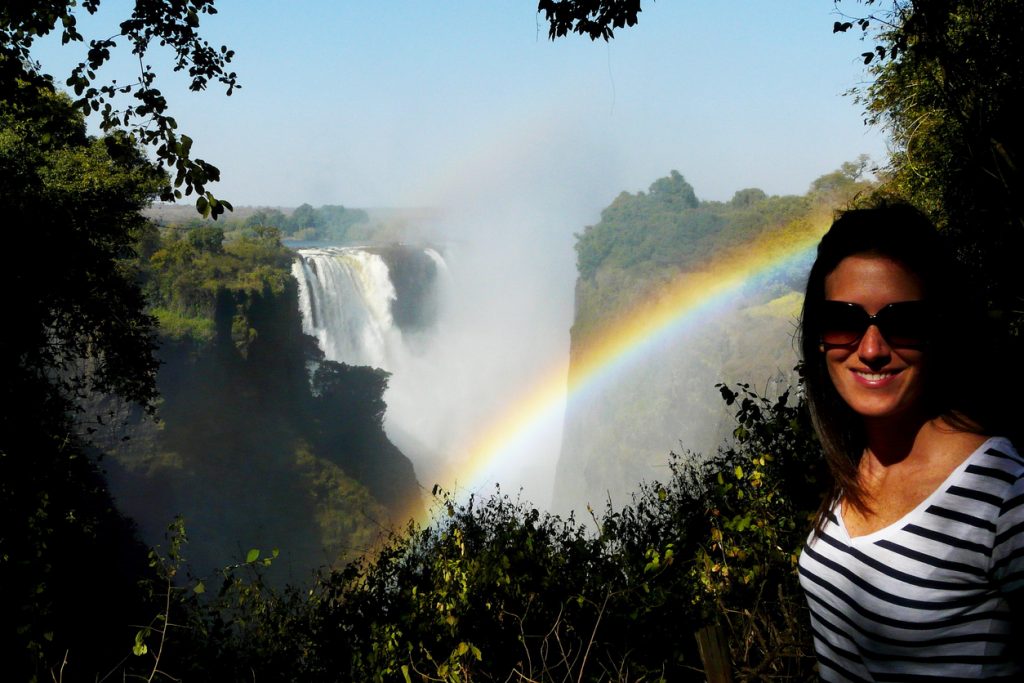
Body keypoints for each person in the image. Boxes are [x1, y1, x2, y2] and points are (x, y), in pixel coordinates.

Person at [795, 204, 1024, 681]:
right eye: (842, 320)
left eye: (904, 322)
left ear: (940, 331)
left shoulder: (1005, 496)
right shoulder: (855, 462)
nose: (873, 348)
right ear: (819, 337)